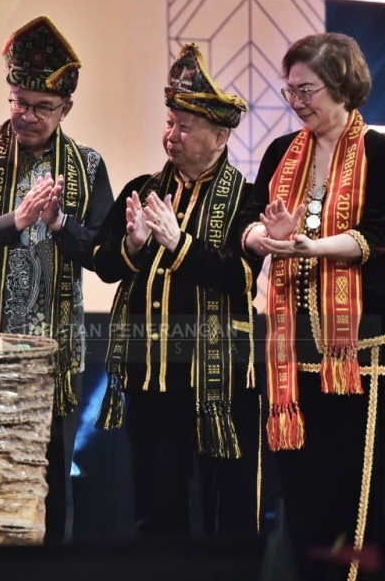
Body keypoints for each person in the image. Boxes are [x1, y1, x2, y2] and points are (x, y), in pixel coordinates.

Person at [0, 15, 114, 543]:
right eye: (18, 101)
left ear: (67, 108)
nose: (27, 115)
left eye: (42, 107)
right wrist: (11, 224)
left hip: (54, 359)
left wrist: (61, 225)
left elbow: (105, 260)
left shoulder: (87, 166)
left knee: (49, 488)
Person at [93, 43, 261, 537]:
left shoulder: (247, 199)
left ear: (220, 135)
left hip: (219, 384)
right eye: (170, 122)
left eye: (185, 127)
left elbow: (243, 278)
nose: (172, 135)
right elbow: (103, 266)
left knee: (226, 514)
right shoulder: (141, 187)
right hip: (151, 380)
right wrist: (134, 242)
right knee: (156, 510)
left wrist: (179, 244)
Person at [238, 33, 384, 580]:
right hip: (293, 357)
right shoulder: (281, 152)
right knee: (304, 495)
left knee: (357, 493)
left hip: (361, 362)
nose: (296, 101)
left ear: (342, 84)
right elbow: (250, 221)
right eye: (290, 90)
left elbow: (376, 235)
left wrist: (308, 246)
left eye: (307, 89)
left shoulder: (378, 151)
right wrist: (263, 237)